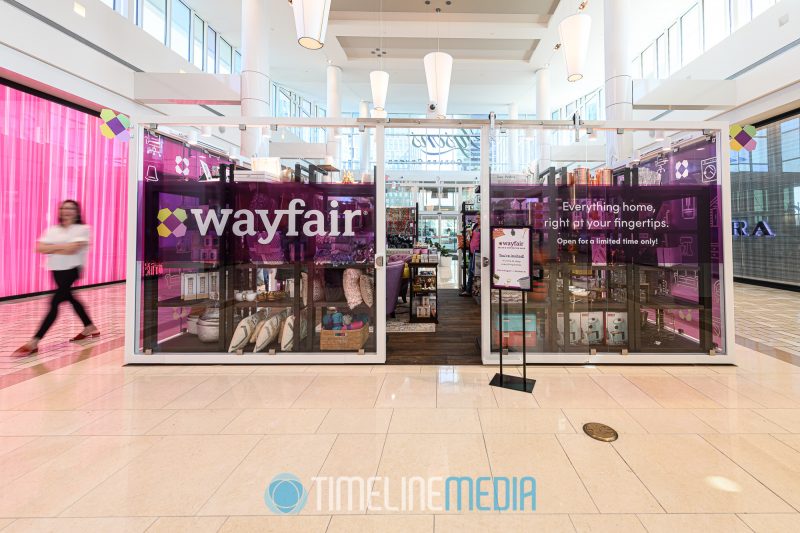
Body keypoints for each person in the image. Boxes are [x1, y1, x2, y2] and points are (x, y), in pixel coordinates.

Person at [12, 200, 99, 356]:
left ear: (77, 212)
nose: (67, 211)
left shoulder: (83, 229)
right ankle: (89, 326)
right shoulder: (53, 230)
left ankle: (34, 341)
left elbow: (72, 250)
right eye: (64, 208)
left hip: (73, 269)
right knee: (70, 297)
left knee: (54, 302)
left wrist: (52, 248)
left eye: (71, 208)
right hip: (55, 270)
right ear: (59, 211)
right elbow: (39, 247)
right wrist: (62, 248)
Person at [460, 218, 480, 297]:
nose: (477, 219)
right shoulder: (475, 226)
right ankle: (469, 290)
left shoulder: (484, 227)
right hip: (472, 253)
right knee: (471, 271)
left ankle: (474, 291)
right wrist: (470, 234)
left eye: (479, 217)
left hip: (479, 253)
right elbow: (472, 237)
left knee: (476, 272)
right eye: (476, 218)